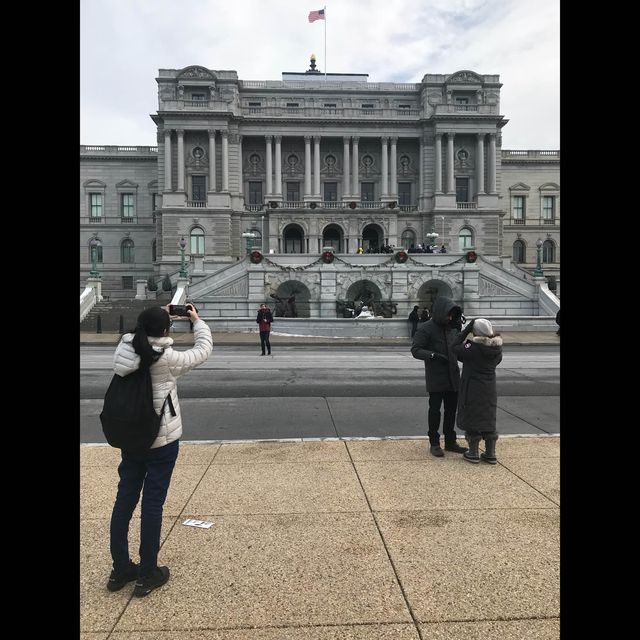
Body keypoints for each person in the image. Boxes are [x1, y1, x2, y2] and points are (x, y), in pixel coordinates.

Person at [107, 304, 213, 597]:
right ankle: (147, 573)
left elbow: (141, 330)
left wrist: (158, 311)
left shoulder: (124, 348)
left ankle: (120, 569)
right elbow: (203, 350)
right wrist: (196, 321)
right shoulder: (166, 358)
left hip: (130, 437)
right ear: (165, 330)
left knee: (124, 500)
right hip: (160, 440)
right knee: (152, 505)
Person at [411, 297, 468, 457]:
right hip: (436, 377)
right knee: (435, 411)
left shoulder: (452, 328)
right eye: (449, 315)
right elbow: (416, 350)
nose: (450, 318)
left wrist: (471, 346)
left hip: (453, 377)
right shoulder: (426, 328)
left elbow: (460, 348)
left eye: (452, 315)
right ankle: (434, 442)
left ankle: (450, 441)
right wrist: (433, 355)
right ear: (442, 312)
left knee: (451, 411)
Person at [451, 318, 503, 464]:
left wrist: (465, 331)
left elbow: (454, 347)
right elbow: (494, 361)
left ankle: (473, 452)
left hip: (473, 387)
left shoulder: (472, 347)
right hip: (489, 387)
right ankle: (490, 453)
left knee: (472, 416)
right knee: (488, 416)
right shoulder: (497, 349)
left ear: (475, 332)